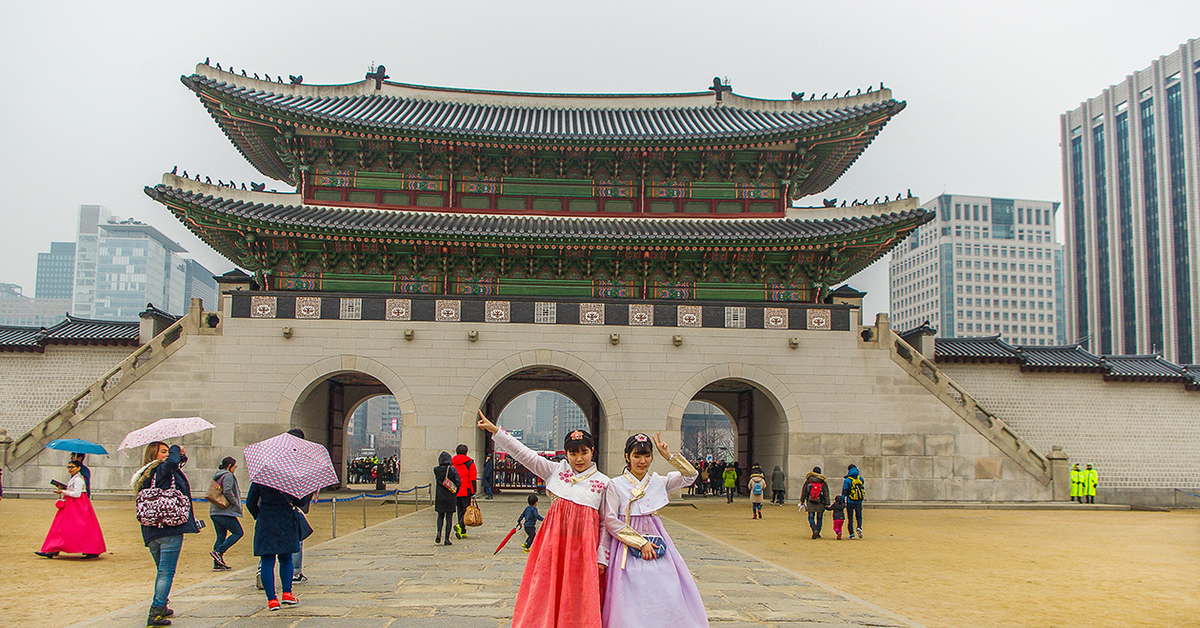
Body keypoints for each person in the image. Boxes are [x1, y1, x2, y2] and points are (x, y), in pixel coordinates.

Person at [477, 409, 609, 627]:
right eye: (573, 453)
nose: (578, 458)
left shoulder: (604, 483)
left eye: (583, 452)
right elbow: (525, 454)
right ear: (566, 453)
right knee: (546, 586)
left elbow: (605, 522)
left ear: (592, 452)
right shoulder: (555, 472)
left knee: (580, 592)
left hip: (584, 549)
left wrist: (601, 555)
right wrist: (497, 432)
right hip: (553, 545)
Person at [599, 432, 708, 628]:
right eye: (637, 456)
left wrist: (669, 456)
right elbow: (610, 519)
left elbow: (691, 476)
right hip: (626, 544)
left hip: (657, 540)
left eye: (647, 455)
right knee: (629, 592)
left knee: (666, 587)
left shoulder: (658, 481)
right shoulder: (615, 485)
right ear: (627, 456)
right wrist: (640, 543)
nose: (642, 461)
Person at [133, 441, 200, 627]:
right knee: (166, 572)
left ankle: (161, 605)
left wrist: (179, 455)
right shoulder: (162, 469)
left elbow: (175, 463)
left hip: (151, 530)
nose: (168, 454)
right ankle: (155, 612)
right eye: (163, 451)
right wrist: (176, 447)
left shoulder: (144, 475)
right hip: (170, 527)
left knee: (162, 571)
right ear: (154, 454)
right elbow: (171, 463)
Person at [246, 480, 308, 611]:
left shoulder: (261, 478)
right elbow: (301, 502)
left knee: (267, 561)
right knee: (286, 559)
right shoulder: (290, 478)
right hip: (286, 519)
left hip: (265, 520)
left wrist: (259, 515)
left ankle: (272, 599)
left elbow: (250, 502)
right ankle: (287, 593)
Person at [36, 459, 106, 559]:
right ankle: (52, 549)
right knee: (71, 527)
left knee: (67, 527)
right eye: (69, 467)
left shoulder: (78, 480)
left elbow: (77, 494)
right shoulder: (76, 479)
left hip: (76, 505)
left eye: (72, 467)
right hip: (74, 504)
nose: (70, 469)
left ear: (78, 468)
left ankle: (53, 549)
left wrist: (63, 492)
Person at [209, 456, 243, 571]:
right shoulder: (228, 475)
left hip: (215, 511)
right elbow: (227, 490)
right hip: (224, 511)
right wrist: (234, 503)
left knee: (220, 536)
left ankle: (217, 563)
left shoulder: (218, 475)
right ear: (229, 466)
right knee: (238, 532)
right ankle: (218, 552)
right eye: (234, 466)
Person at [433, 451, 460, 545]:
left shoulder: (436, 470)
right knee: (449, 518)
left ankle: (439, 532)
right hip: (450, 495)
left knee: (440, 516)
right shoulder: (452, 470)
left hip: (440, 496)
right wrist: (456, 490)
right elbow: (458, 482)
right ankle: (447, 539)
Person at [451, 444, 477, 538]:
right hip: (466, 490)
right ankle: (460, 525)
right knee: (466, 510)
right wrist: (473, 492)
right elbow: (472, 478)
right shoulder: (469, 463)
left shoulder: (452, 463)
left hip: (455, 490)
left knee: (459, 510)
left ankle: (462, 531)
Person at [800, 466, 830, 539]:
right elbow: (826, 493)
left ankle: (814, 529)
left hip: (810, 501)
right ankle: (818, 531)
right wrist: (827, 503)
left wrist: (802, 500)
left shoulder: (809, 480)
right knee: (819, 517)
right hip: (820, 502)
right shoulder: (822, 481)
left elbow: (804, 491)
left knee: (811, 516)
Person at [842, 464, 865, 539]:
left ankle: (851, 534)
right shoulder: (860, 479)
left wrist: (842, 499)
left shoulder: (848, 480)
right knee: (859, 516)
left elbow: (845, 491)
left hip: (850, 501)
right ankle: (859, 527)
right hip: (859, 501)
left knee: (850, 518)